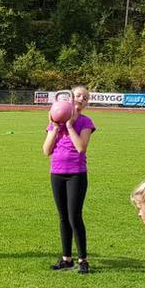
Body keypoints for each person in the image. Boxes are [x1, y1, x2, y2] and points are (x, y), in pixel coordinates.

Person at [41, 85, 96, 273]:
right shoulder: (55, 121)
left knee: (75, 217)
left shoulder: (86, 122)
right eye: (78, 95)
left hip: (76, 174)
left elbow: (81, 147)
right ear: (69, 98)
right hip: (56, 173)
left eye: (85, 98)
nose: (81, 99)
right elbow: (46, 150)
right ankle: (66, 259)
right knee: (63, 217)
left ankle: (83, 260)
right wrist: (56, 128)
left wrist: (70, 125)